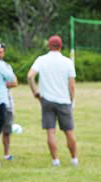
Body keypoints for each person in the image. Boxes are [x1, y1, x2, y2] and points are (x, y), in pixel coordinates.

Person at [27, 35, 77, 167]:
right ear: (61, 46)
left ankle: (55, 160)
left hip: (46, 100)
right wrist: (71, 99)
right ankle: (74, 159)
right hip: (64, 100)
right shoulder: (67, 62)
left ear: (49, 46)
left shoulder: (41, 60)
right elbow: (71, 85)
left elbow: (30, 76)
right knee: (69, 131)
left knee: (50, 131)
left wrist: (35, 92)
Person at [0, 44, 17, 160]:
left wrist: (1, 84)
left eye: (1, 52)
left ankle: (6, 154)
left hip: (7, 102)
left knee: (7, 130)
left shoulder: (7, 66)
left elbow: (14, 82)